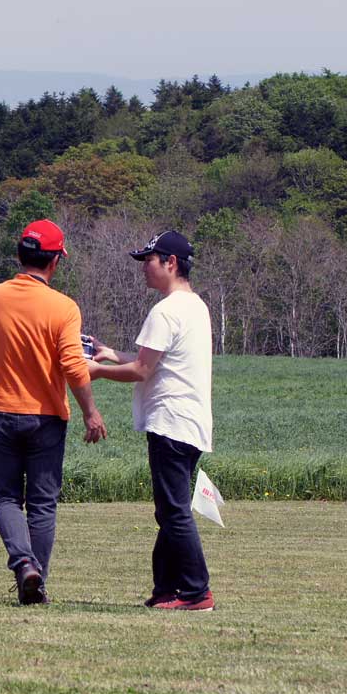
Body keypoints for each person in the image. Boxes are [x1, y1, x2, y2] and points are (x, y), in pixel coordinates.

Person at [87, 230, 215, 611]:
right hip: (190, 423)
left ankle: (196, 592)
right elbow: (153, 360)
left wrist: (95, 371)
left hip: (169, 422)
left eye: (149, 260)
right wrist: (112, 355)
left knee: (174, 510)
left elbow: (142, 371)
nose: (144, 268)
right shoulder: (196, 307)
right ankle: (167, 588)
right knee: (170, 509)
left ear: (170, 263)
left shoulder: (165, 311)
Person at [0, 219, 107, 605]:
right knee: (42, 503)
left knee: (6, 498)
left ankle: (24, 565)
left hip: (2, 410)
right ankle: (37, 581)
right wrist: (91, 412)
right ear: (55, 261)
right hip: (47, 417)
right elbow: (72, 365)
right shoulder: (64, 308)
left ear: (19, 254)